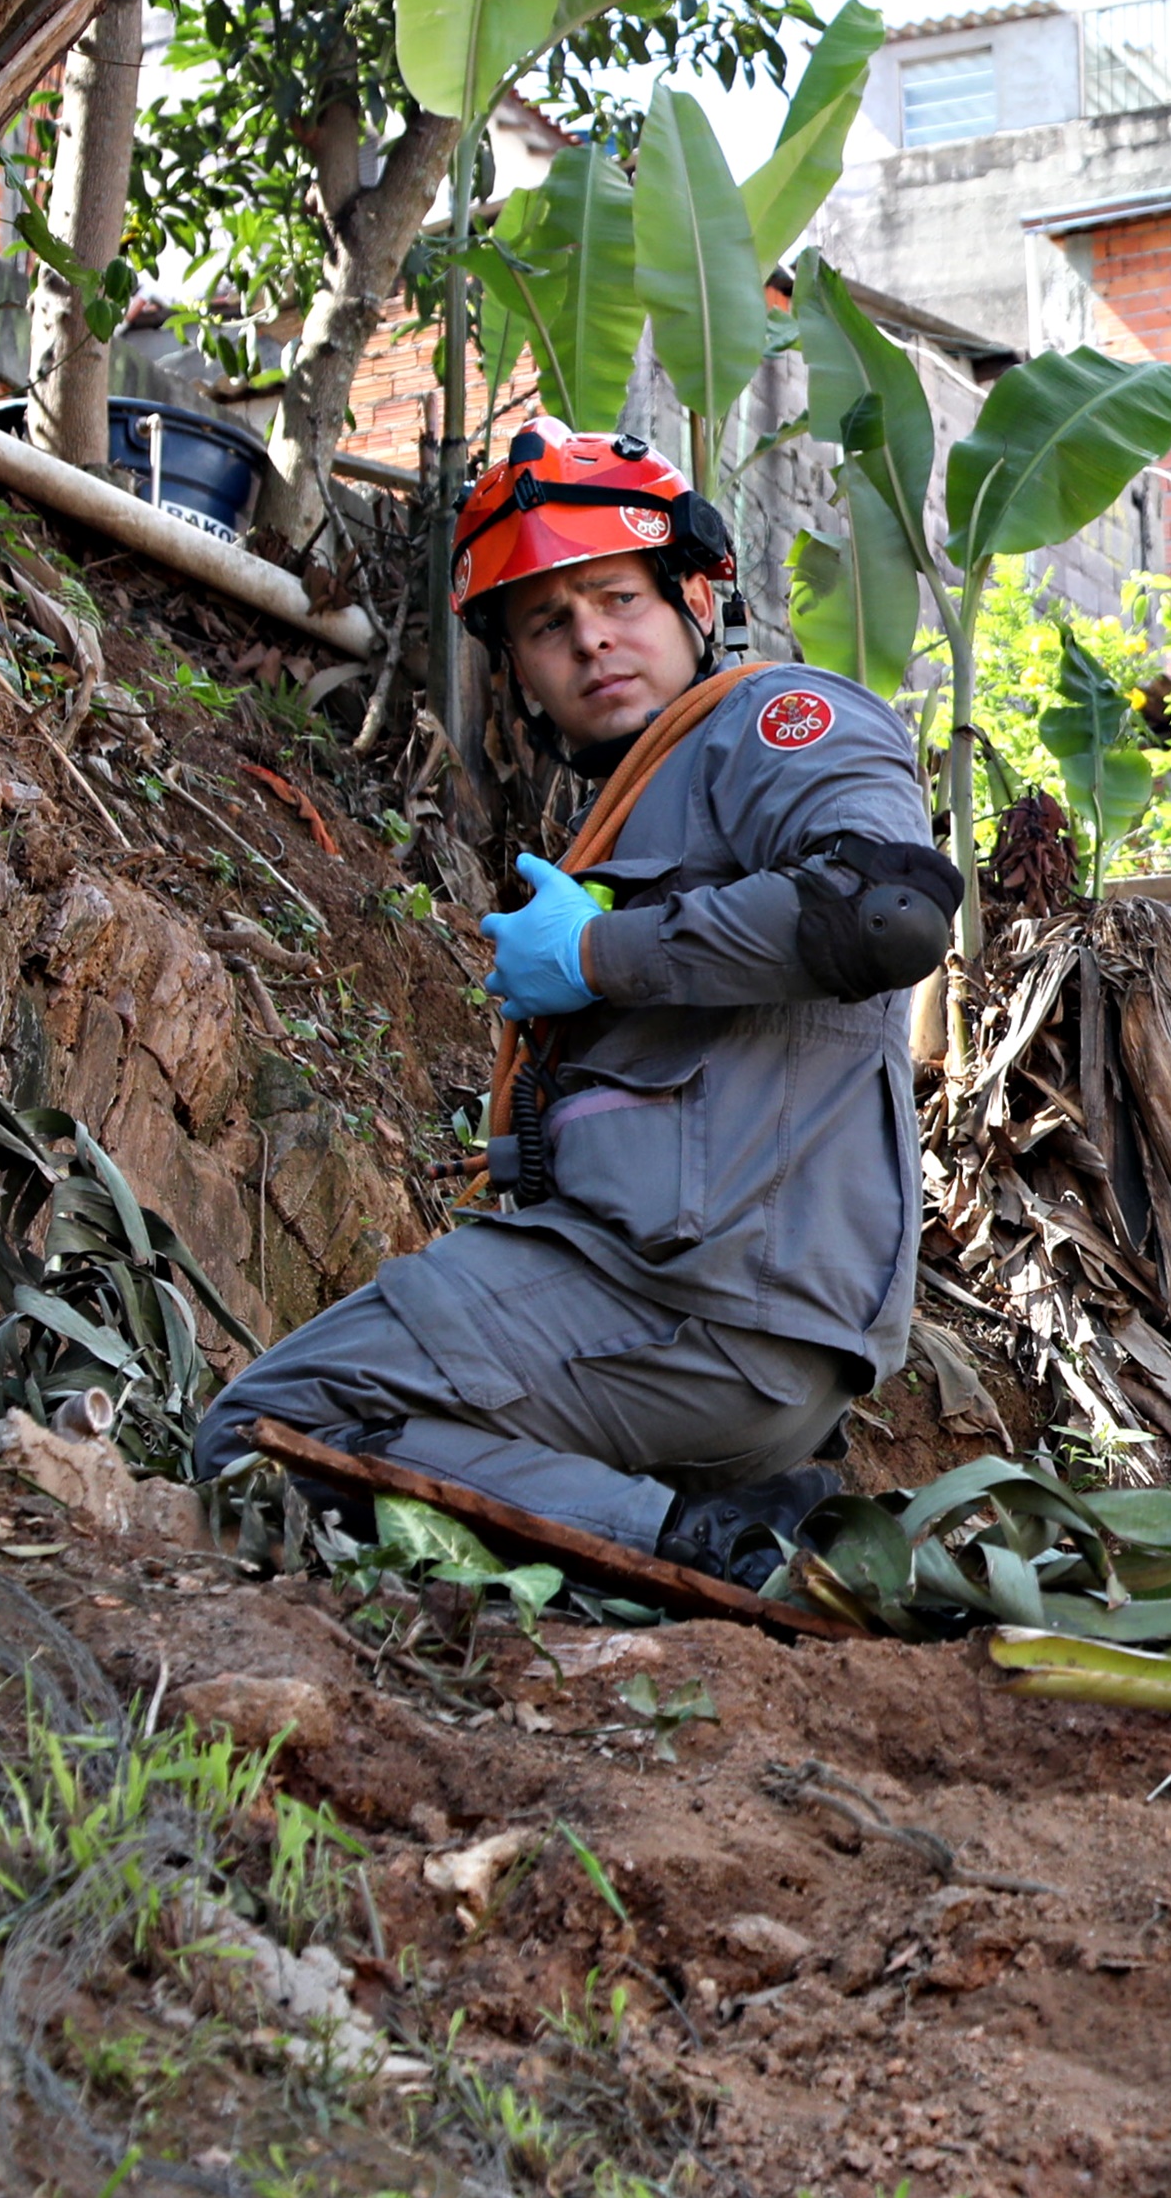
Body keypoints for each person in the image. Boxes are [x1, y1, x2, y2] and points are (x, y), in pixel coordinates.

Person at [192, 428, 961, 1585]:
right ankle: (722, 1513)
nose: (589, 638)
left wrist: (598, 952)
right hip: (700, 1319)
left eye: (615, 597)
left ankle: (701, 1542)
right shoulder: (652, 791)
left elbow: (887, 913)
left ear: (697, 595)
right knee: (381, 1441)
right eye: (547, 625)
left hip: (696, 1310)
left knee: (268, 1421)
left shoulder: (773, 719)